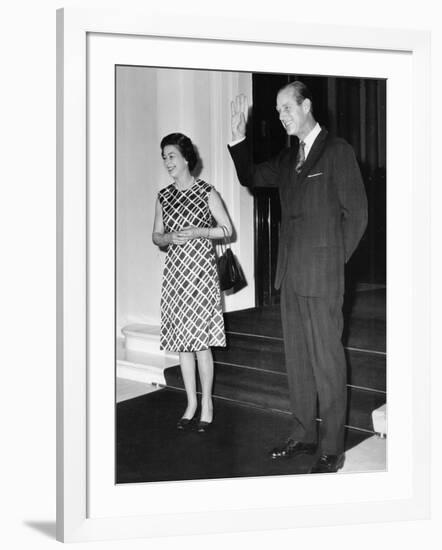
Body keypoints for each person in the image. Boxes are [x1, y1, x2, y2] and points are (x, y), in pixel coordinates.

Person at [228, 81, 368, 473]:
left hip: (323, 276)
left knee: (328, 362)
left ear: (306, 106)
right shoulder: (289, 160)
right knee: (299, 362)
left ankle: (331, 447)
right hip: (289, 276)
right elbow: (251, 176)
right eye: (277, 111)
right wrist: (239, 139)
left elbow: (357, 215)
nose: (281, 116)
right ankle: (304, 432)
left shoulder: (337, 151)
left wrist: (333, 263)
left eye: (286, 108)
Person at [152, 132, 232, 433]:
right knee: (182, 344)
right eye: (164, 157)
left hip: (201, 275)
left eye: (171, 156)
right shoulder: (163, 196)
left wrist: (199, 231)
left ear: (186, 158)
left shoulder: (207, 192)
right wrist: (169, 237)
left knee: (200, 344)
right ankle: (190, 404)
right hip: (175, 276)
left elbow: (226, 229)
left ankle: (207, 404)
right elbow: (156, 235)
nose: (167, 162)